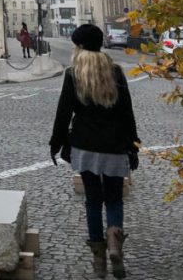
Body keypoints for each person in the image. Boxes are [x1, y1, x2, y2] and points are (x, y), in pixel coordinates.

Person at [49, 24, 140, 279]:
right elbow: (127, 113)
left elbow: (63, 113)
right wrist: (134, 146)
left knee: (92, 200)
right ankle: (114, 241)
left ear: (78, 46)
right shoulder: (115, 72)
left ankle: (99, 261)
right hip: (114, 145)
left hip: (85, 146)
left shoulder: (73, 73)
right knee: (114, 199)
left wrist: (55, 143)